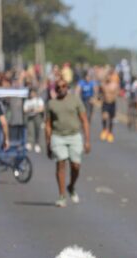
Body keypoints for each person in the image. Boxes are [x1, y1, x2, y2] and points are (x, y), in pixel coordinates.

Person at [46, 78, 91, 208]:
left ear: (67, 87)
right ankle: (61, 196)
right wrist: (48, 143)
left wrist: (87, 141)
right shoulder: (51, 104)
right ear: (55, 90)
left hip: (74, 136)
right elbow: (48, 125)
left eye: (63, 86)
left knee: (75, 165)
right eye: (58, 87)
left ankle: (71, 186)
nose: (61, 89)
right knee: (61, 162)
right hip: (58, 136)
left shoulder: (75, 100)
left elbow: (84, 120)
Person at [99, 71, 120, 143]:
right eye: (106, 77)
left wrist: (115, 95)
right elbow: (100, 92)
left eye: (109, 77)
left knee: (111, 119)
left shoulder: (115, 85)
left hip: (112, 103)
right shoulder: (102, 85)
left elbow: (117, 93)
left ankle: (110, 133)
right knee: (104, 116)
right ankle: (104, 130)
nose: (108, 78)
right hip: (105, 103)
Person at [24, 88, 45, 153]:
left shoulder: (39, 100)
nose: (32, 94)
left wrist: (35, 110)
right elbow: (25, 110)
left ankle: (37, 144)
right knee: (30, 130)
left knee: (38, 130)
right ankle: (30, 143)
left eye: (33, 93)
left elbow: (42, 108)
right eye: (31, 93)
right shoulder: (27, 101)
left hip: (37, 116)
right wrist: (30, 110)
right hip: (30, 117)